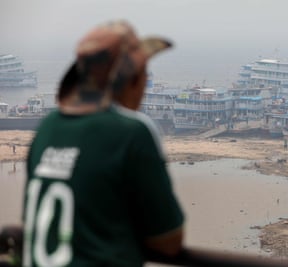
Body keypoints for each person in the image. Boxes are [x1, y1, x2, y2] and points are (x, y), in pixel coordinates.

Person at [22, 20, 184, 267]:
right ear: (131, 78)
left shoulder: (47, 127)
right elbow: (169, 240)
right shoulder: (131, 131)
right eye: (144, 73)